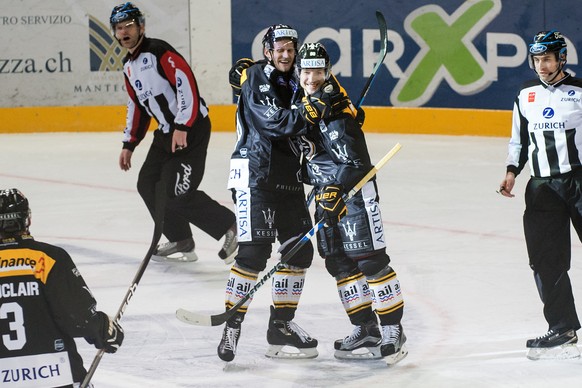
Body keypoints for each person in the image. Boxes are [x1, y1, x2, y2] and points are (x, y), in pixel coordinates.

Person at [217, 24, 348, 362]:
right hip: (253, 175)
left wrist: (341, 109)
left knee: (299, 253)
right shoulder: (256, 75)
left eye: (291, 48)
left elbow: (332, 113)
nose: (287, 55)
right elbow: (272, 122)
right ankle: (231, 326)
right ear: (267, 51)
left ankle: (281, 327)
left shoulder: (303, 79)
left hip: (289, 178)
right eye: (280, 49)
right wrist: (312, 109)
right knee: (252, 254)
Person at [293, 42, 407, 363]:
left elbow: (355, 163)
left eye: (318, 71)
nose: (311, 77)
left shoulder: (334, 111)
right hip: (324, 193)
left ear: (327, 71)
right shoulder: (308, 99)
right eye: (306, 71)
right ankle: (366, 327)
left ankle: (392, 329)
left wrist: (336, 189)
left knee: (369, 260)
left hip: (353, 194)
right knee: (339, 263)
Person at [111, 2, 237, 264]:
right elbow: (136, 105)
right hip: (166, 134)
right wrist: (129, 143)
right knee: (147, 184)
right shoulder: (129, 66)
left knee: (177, 191)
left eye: (129, 26)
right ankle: (181, 239)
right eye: (119, 27)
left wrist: (183, 125)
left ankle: (230, 227)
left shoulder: (159, 51)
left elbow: (186, 82)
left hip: (191, 130)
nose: (124, 32)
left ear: (141, 27)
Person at [499, 30, 582, 360]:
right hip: (541, 188)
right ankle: (562, 326)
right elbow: (519, 139)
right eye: (536, 60)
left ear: (562, 58)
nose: (541, 66)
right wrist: (510, 171)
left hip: (578, 182)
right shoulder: (525, 94)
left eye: (547, 59)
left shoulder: (579, 92)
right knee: (545, 259)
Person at [0, 188, 124, 386]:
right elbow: (79, 318)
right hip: (57, 376)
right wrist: (102, 330)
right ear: (27, 220)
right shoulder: (48, 258)